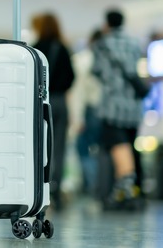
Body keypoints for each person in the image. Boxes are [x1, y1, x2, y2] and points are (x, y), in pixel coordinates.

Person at [91, 9, 144, 210]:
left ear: (107, 23)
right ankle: (125, 188)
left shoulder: (102, 44)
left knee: (118, 147)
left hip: (113, 105)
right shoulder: (134, 42)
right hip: (133, 105)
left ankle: (126, 187)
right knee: (129, 146)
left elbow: (97, 72)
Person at [32, 12, 75, 209]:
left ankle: (38, 188)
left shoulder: (35, 49)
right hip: (59, 101)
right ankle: (55, 189)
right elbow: (71, 77)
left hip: (40, 102)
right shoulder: (63, 48)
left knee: (39, 145)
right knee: (59, 147)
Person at [71, 30, 104, 196]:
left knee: (83, 149)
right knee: (101, 150)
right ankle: (100, 186)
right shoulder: (107, 60)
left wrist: (77, 118)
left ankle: (92, 186)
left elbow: (79, 92)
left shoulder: (82, 59)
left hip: (89, 109)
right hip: (106, 110)